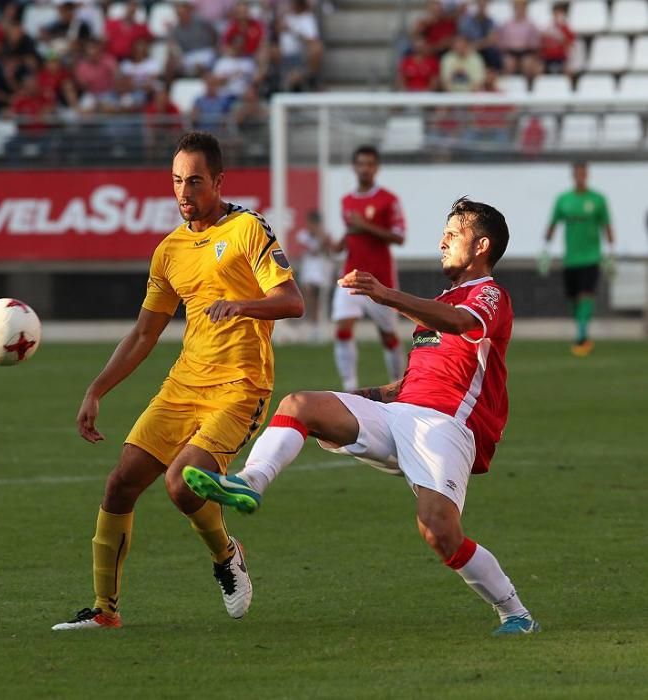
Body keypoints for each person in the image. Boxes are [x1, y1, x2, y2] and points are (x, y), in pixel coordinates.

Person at [183, 197, 541, 637]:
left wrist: (387, 295)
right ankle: (250, 481)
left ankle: (515, 612)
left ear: (482, 245)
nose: (442, 240)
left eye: (454, 233)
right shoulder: (440, 302)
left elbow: (459, 323)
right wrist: (352, 401)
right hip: (399, 414)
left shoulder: (488, 294)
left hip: (444, 427)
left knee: (439, 532)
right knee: (301, 405)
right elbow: (403, 387)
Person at [52, 131, 304, 631]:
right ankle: (105, 611)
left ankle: (227, 555)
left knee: (181, 485)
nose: (184, 192)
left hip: (240, 385)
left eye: (194, 182)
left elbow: (293, 301)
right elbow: (146, 331)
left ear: (218, 181)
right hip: (183, 384)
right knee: (120, 483)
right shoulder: (169, 250)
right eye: (176, 181)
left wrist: (243, 304)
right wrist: (97, 389)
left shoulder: (250, 229)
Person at [331, 145, 406, 392]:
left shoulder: (388, 200)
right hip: (351, 275)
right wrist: (339, 244)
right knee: (343, 329)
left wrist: (365, 226)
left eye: (370, 164)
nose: (365, 169)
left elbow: (399, 236)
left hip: (379, 278)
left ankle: (399, 385)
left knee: (388, 336)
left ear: (376, 167)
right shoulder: (347, 201)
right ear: (354, 167)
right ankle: (349, 388)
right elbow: (352, 234)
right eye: (361, 164)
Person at [542, 161, 614, 356]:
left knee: (586, 295)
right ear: (574, 176)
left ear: (587, 175)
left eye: (584, 174)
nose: (581, 177)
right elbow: (553, 223)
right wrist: (545, 249)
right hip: (571, 259)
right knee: (573, 299)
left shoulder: (597, 200)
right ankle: (581, 328)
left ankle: (582, 337)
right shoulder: (564, 200)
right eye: (578, 174)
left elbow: (607, 225)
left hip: (591, 257)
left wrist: (610, 252)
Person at [293, 210, 334, 341]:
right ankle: (311, 325)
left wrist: (322, 237)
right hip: (309, 269)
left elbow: (329, 251)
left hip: (321, 269)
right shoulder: (304, 235)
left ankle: (317, 327)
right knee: (308, 296)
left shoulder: (325, 235)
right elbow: (305, 249)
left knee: (318, 298)